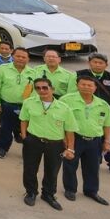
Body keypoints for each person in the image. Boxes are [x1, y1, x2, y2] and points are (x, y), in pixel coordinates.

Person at [19, 78, 78, 210]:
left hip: (55, 144)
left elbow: (69, 130)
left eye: (45, 88)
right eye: (38, 88)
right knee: (30, 169)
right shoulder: (28, 103)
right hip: (33, 141)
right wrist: (24, 137)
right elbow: (24, 120)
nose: (42, 90)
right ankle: (31, 192)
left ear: (52, 89)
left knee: (52, 171)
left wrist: (70, 149)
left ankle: (48, 194)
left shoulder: (64, 108)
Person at [59, 73, 110, 205]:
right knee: (70, 164)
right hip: (74, 139)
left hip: (95, 141)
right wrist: (63, 140)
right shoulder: (66, 100)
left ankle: (91, 191)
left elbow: (108, 124)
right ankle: (70, 189)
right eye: (83, 84)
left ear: (95, 88)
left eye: (90, 85)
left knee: (93, 167)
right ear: (77, 86)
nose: (86, 87)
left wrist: (107, 141)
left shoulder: (103, 104)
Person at [78, 53, 110, 177]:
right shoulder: (78, 75)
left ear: (106, 65)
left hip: (108, 114)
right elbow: (71, 93)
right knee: (92, 138)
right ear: (89, 63)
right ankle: (94, 160)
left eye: (100, 63)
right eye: (95, 62)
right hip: (86, 114)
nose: (97, 65)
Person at [0, 47, 33, 158]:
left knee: (26, 130)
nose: (20, 59)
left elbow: (36, 91)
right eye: (18, 56)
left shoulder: (33, 72)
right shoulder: (2, 69)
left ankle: (28, 151)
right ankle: (3, 147)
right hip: (7, 105)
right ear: (13, 56)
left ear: (28, 59)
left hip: (25, 106)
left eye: (23, 57)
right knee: (5, 128)